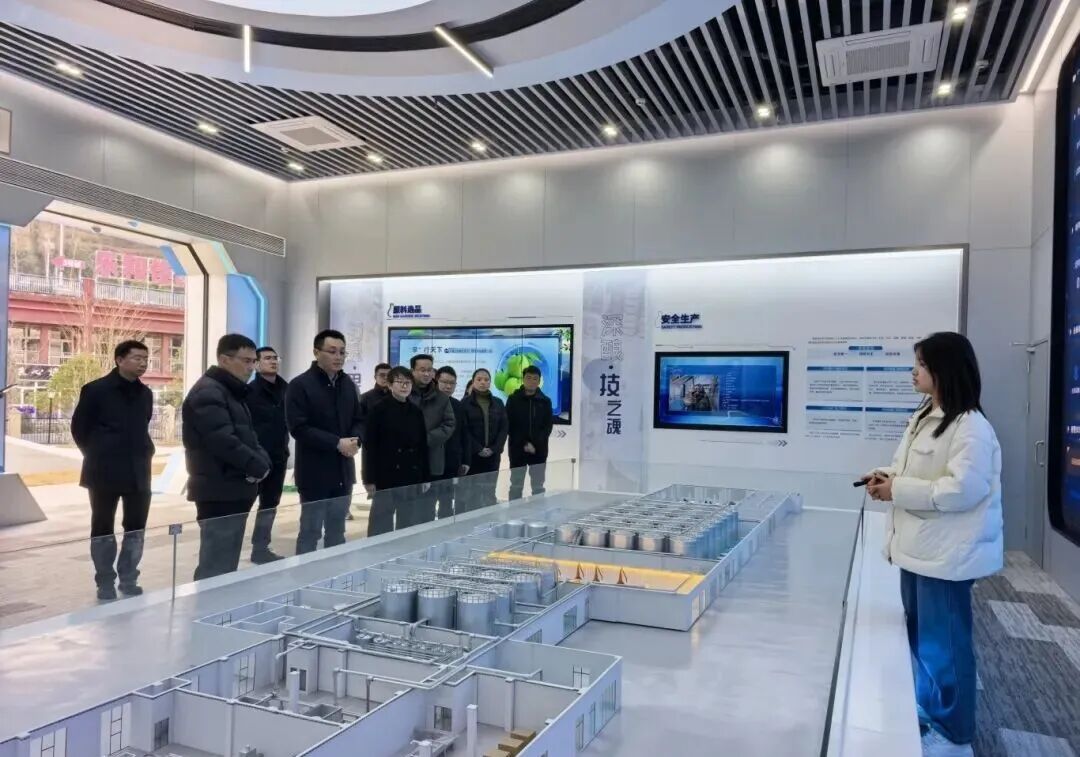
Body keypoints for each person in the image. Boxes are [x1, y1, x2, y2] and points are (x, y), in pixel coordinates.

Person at [863, 332, 1002, 757]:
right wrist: (888, 476)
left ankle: (954, 733)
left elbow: (964, 490)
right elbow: (916, 469)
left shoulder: (971, 427)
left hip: (945, 555)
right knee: (924, 640)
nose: (914, 372)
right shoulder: (927, 415)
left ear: (944, 370)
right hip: (920, 550)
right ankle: (930, 711)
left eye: (921, 365)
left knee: (946, 648)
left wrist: (898, 490)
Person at [71, 340, 155, 601]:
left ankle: (129, 578)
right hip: (103, 470)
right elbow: (79, 429)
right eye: (137, 358)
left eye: (146, 359)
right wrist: (98, 452)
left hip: (138, 470)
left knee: (136, 527)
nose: (143, 363)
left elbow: (143, 425)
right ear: (119, 359)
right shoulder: (96, 390)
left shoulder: (146, 394)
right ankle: (105, 580)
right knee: (102, 526)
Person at [182, 334, 271, 581]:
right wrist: (256, 466)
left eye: (254, 361)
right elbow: (222, 441)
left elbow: (249, 437)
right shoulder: (208, 392)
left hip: (234, 487)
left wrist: (263, 462)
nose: (251, 367)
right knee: (215, 564)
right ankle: (207, 604)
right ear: (224, 359)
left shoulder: (231, 392)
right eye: (246, 361)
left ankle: (220, 604)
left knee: (226, 562)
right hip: (218, 489)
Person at [286, 329, 364, 554]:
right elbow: (298, 428)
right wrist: (336, 443)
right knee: (310, 532)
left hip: (343, 471)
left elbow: (359, 419)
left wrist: (356, 440)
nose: (338, 357)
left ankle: (335, 573)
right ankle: (304, 572)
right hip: (314, 472)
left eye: (342, 352)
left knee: (337, 531)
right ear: (316, 352)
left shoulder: (347, 384)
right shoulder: (300, 385)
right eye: (332, 351)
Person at [362, 366, 429, 536]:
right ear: (390, 385)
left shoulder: (416, 411)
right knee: (381, 523)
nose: (404, 386)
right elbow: (370, 447)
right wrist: (369, 479)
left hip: (410, 475)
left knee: (407, 522)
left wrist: (425, 476)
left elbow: (423, 446)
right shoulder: (378, 409)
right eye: (400, 382)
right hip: (385, 475)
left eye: (408, 382)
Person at [246, 346, 289, 564]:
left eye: (275, 358)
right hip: (255, 459)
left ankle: (260, 548)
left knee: (270, 504)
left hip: (278, 456)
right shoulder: (249, 392)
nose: (273, 361)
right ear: (256, 364)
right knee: (244, 504)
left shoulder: (287, 389)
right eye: (267, 358)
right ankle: (228, 550)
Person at [409, 353, 455, 523]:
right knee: (407, 512)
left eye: (430, 370)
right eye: (422, 370)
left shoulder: (441, 398)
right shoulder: (405, 393)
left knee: (427, 510)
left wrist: (426, 439)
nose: (427, 374)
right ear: (412, 371)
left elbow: (449, 424)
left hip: (432, 459)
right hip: (406, 460)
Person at [460, 368, 508, 511]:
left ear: (490, 382)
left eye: (486, 380)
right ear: (473, 381)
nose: (483, 382)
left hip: (493, 455)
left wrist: (494, 449)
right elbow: (464, 430)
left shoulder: (498, 403)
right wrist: (478, 449)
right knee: (472, 493)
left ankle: (489, 521)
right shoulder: (465, 403)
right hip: (473, 456)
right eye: (479, 379)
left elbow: (504, 428)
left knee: (489, 491)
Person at [506, 365, 554, 501]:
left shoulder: (545, 401)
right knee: (516, 485)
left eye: (535, 378)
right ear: (523, 379)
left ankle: (538, 512)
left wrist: (535, 445)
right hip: (517, 450)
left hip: (539, 451)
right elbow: (509, 425)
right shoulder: (513, 399)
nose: (531, 381)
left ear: (539, 381)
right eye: (528, 378)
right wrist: (525, 444)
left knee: (538, 486)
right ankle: (514, 511)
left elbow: (547, 427)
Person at [435, 366, 471, 518]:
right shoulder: (426, 404)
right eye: (444, 382)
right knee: (426, 504)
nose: (448, 386)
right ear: (436, 381)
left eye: (452, 383)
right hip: (430, 464)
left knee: (447, 503)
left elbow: (465, 434)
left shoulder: (458, 406)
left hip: (451, 463)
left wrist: (466, 461)